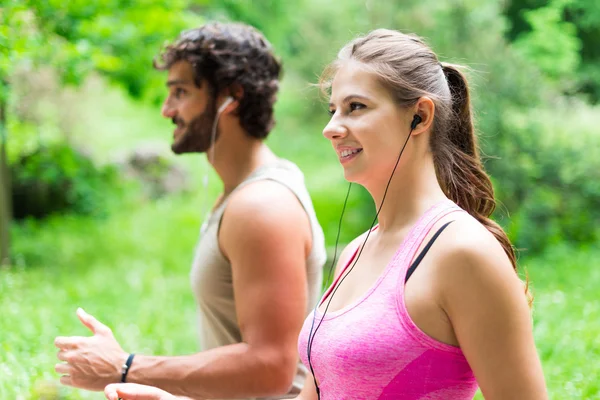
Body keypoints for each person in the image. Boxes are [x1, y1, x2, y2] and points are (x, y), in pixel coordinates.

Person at [102, 28, 549, 400]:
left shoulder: (463, 252)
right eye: (333, 109)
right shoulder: (356, 251)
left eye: (356, 107)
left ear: (420, 116)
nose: (332, 127)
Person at [54, 22, 326, 400]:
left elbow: (271, 368)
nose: (167, 110)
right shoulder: (242, 194)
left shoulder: (263, 206)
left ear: (231, 97)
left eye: (180, 92)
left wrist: (127, 367)